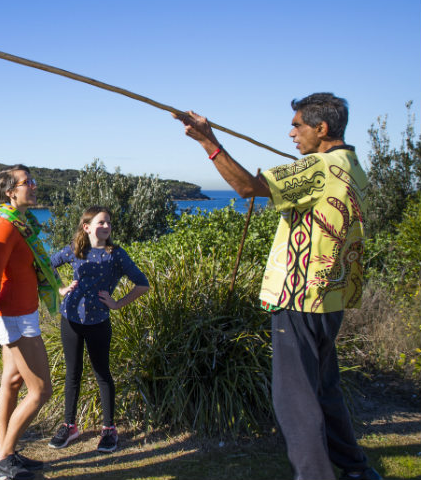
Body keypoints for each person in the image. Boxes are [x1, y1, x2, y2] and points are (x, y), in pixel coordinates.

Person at [175, 93, 382, 480]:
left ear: (321, 129)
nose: (290, 133)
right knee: (325, 389)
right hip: (331, 297)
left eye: (297, 125)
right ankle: (356, 469)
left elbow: (247, 188)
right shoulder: (352, 165)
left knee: (295, 400)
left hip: (299, 298)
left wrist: (208, 141)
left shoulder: (318, 168)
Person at [49, 206, 150, 453]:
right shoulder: (75, 250)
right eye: (101, 222)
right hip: (70, 319)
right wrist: (60, 289)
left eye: (108, 223)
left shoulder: (115, 254)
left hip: (98, 323)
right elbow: (45, 265)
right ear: (87, 227)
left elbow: (142, 283)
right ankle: (69, 426)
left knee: (102, 374)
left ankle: (109, 429)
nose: (106, 227)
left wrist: (117, 304)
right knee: (73, 373)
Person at [0, 165, 56, 480]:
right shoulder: (5, 227)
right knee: (41, 390)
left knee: (13, 383)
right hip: (14, 317)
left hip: (22, 314)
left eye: (33, 180)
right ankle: (3, 458)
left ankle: (8, 452)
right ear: (10, 192)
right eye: (27, 182)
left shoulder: (24, 225)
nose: (34, 186)